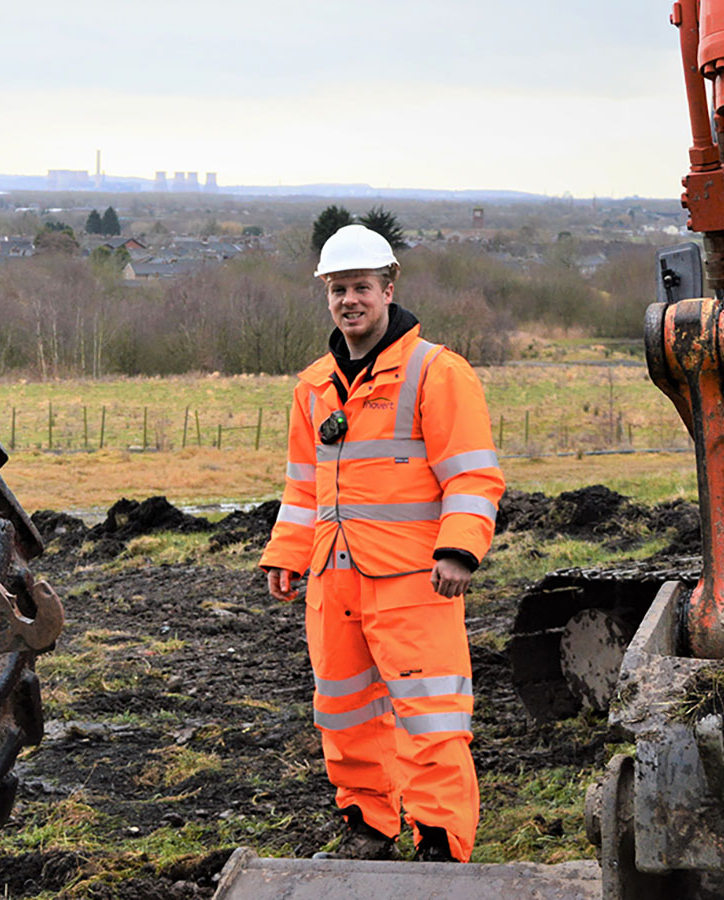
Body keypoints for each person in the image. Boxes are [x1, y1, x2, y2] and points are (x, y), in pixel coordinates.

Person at [260, 224, 504, 863]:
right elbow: (302, 486)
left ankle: (439, 842)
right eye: (338, 289)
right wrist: (287, 554)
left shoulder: (436, 372)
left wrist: (459, 549)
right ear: (326, 295)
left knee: (430, 716)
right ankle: (369, 829)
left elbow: (472, 475)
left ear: (388, 289)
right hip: (333, 578)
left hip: (414, 581)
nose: (350, 301)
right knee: (343, 714)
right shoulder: (313, 386)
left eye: (361, 287)